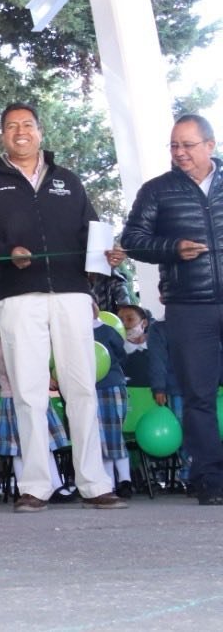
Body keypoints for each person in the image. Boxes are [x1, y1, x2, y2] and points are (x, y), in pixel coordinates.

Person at [0, 103, 127, 512]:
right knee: (28, 392)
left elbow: (92, 231)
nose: (20, 131)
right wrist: (7, 252)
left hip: (72, 294)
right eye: (11, 126)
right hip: (18, 297)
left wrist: (107, 255)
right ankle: (36, 486)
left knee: (81, 389)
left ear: (40, 131)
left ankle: (94, 483)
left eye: (27, 125)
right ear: (2, 135)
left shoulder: (67, 180)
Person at [121, 113, 223, 504]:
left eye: (188, 145)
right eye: (174, 145)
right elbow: (132, 239)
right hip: (188, 306)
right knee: (197, 396)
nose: (179, 152)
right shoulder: (157, 190)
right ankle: (209, 479)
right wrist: (173, 248)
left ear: (210, 146)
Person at [0, 300, 73, 500]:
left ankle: (47, 486)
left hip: (22, 395)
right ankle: (39, 487)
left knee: (30, 445)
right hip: (19, 396)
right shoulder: (1, 342)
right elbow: (15, 366)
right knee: (28, 445)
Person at [91, 304, 132, 499]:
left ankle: (124, 479)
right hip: (91, 389)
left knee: (113, 434)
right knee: (100, 438)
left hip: (111, 386)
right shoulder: (75, 334)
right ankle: (109, 483)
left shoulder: (107, 331)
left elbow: (121, 355)